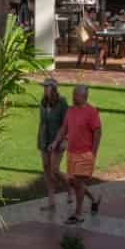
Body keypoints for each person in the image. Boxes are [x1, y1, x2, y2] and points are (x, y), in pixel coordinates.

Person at [57, 82, 102, 223]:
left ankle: (78, 214)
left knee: (78, 182)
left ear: (83, 96)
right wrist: (55, 142)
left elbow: (98, 133)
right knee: (75, 183)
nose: (73, 96)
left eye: (75, 94)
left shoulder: (91, 112)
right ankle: (94, 199)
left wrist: (93, 153)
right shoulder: (70, 110)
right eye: (73, 94)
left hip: (85, 153)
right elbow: (64, 128)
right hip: (72, 153)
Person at [36, 77, 69, 214]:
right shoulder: (43, 102)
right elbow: (42, 122)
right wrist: (41, 141)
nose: (44, 89)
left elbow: (67, 123)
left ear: (53, 88)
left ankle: (70, 188)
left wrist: (64, 140)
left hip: (58, 140)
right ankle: (51, 202)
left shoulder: (62, 103)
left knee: (55, 169)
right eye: (43, 87)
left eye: (46, 87)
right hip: (44, 140)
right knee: (46, 168)